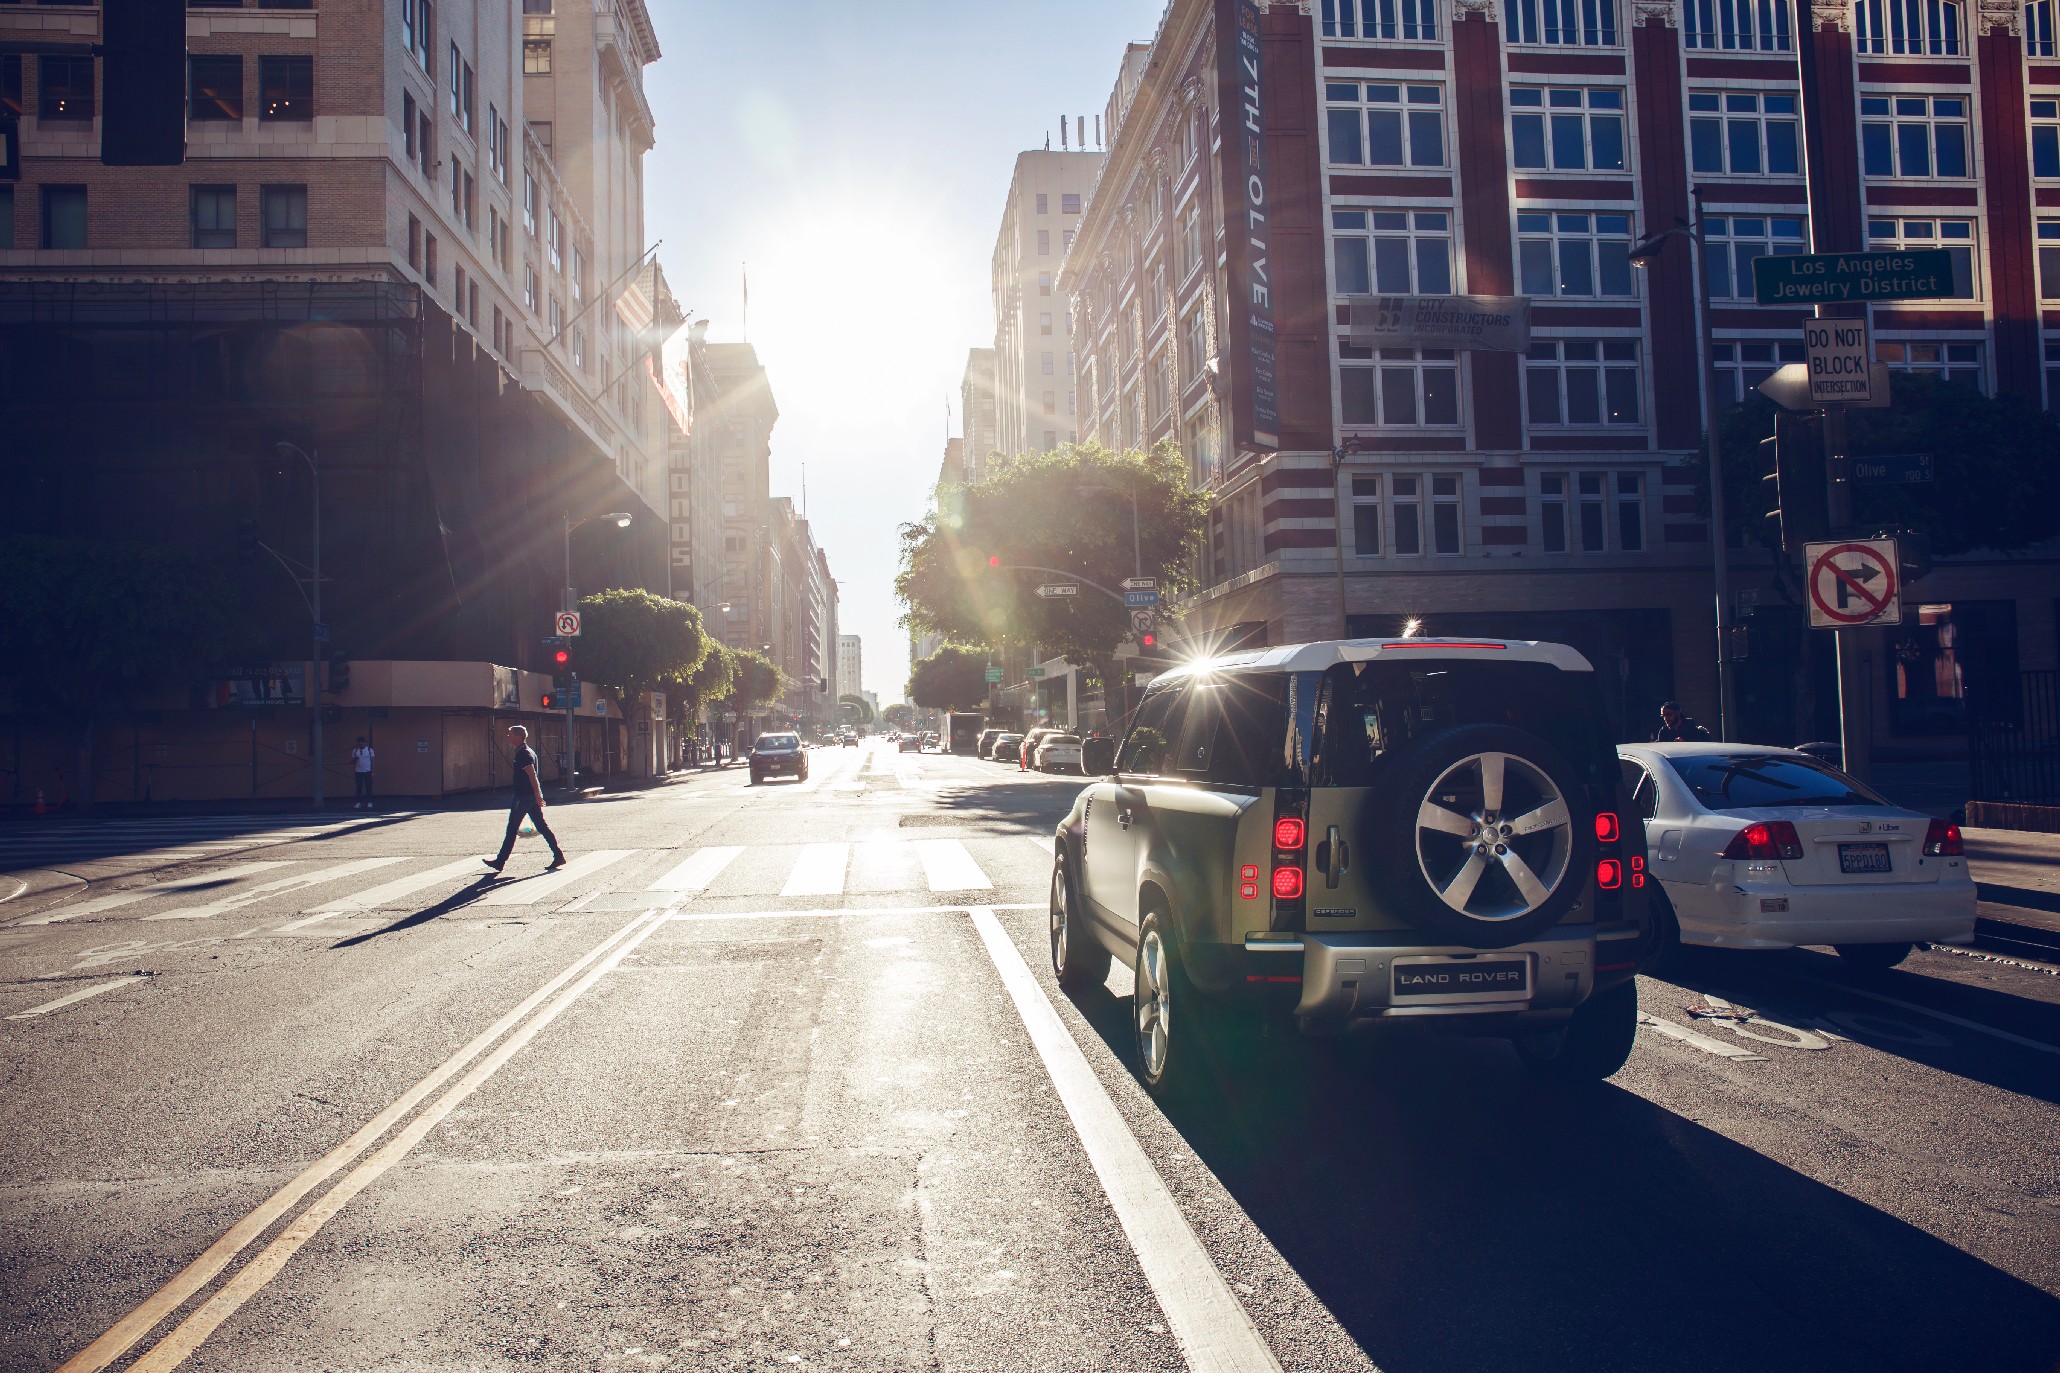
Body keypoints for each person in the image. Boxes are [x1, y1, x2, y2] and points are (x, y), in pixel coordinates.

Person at [485, 724, 566, 873]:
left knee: (512, 828)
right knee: (541, 827)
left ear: (518, 736)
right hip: (529, 797)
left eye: (510, 734)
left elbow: (532, 775)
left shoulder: (524, 754)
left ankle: (500, 861)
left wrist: (538, 795)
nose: (508, 737)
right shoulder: (527, 752)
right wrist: (537, 796)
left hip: (523, 797)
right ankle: (558, 855)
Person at [350, 736, 376, 809]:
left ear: (364, 743)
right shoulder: (355, 751)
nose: (360, 744)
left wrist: (373, 771)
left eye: (362, 743)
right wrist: (355, 759)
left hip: (367, 771)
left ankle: (369, 802)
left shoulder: (369, 750)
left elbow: (373, 761)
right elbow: (352, 761)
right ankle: (358, 802)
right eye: (359, 743)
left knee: (368, 787)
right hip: (358, 771)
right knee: (359, 787)